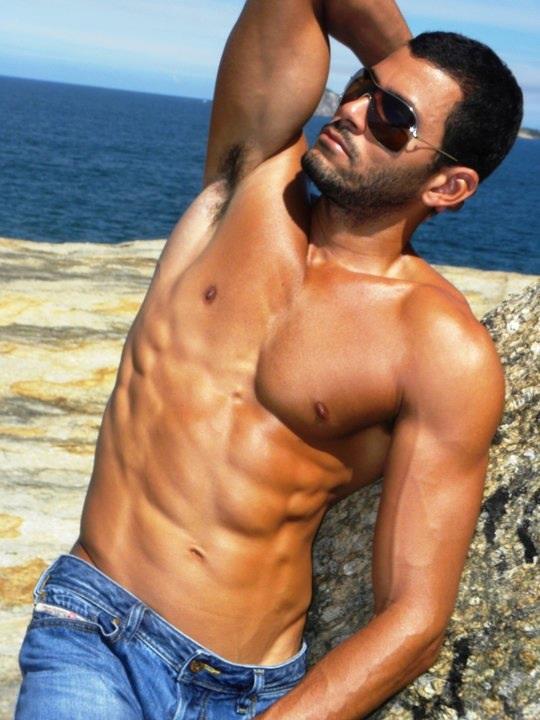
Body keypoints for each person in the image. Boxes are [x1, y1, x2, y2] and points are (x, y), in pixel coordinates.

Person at [15, 1, 523, 718]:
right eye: (361, 88)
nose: (351, 112)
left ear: (448, 187)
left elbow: (414, 619)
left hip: (251, 691)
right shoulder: (250, 183)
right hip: (94, 632)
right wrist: (407, 67)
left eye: (392, 119)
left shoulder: (437, 346)